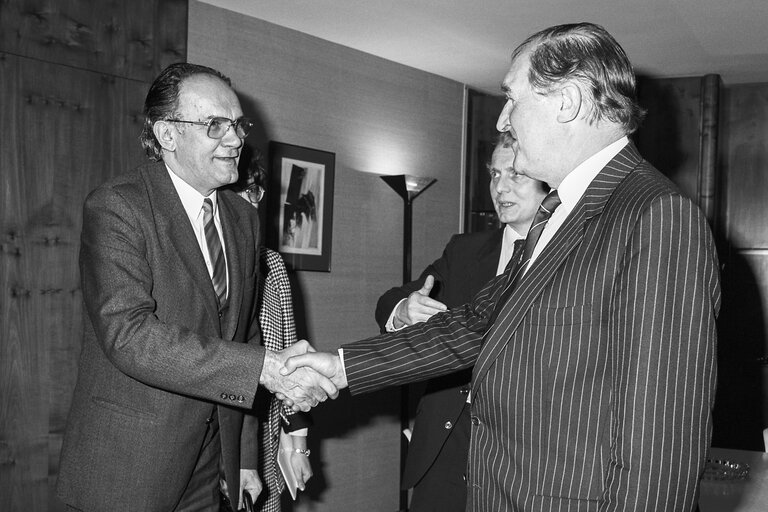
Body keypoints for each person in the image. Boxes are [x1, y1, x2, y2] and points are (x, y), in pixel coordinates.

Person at [284, 22, 721, 512]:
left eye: (512, 99)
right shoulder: (561, 212)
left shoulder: (655, 214)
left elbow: (661, 442)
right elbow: (472, 324)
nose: (502, 121)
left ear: (568, 101)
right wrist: (341, 368)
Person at [56, 62, 336, 512]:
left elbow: (242, 335)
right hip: (127, 467)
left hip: (209, 466)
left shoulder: (242, 218)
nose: (236, 139)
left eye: (238, 124)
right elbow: (129, 335)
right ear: (167, 134)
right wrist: (267, 368)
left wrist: (243, 458)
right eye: (215, 126)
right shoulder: (118, 206)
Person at [374, 132, 547, 511]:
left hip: (526, 455)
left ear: (547, 180)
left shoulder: (573, 256)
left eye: (515, 175)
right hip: (447, 449)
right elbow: (390, 300)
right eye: (494, 174)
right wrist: (404, 308)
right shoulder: (465, 250)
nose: (500, 187)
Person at [237, 150, 314, 512]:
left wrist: (296, 442)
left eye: (254, 191)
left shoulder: (272, 265)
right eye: (237, 190)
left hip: (264, 439)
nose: (247, 202)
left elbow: (291, 359)